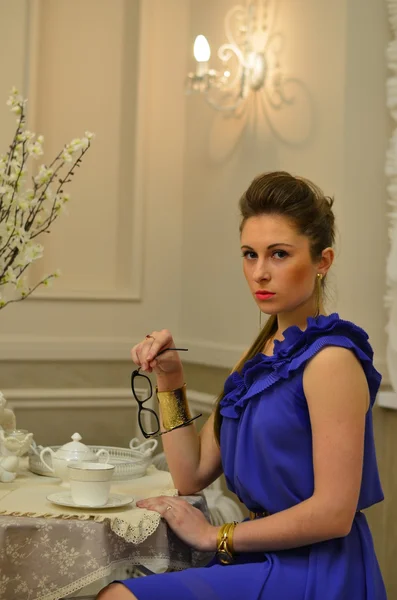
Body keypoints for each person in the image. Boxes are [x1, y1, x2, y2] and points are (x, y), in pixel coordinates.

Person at [97, 171, 386, 599]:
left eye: (279, 254)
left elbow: (334, 515)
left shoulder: (332, 361)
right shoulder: (257, 358)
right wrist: (171, 380)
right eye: (250, 255)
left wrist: (217, 537)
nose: (260, 272)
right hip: (257, 555)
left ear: (323, 261)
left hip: (315, 570)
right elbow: (191, 475)